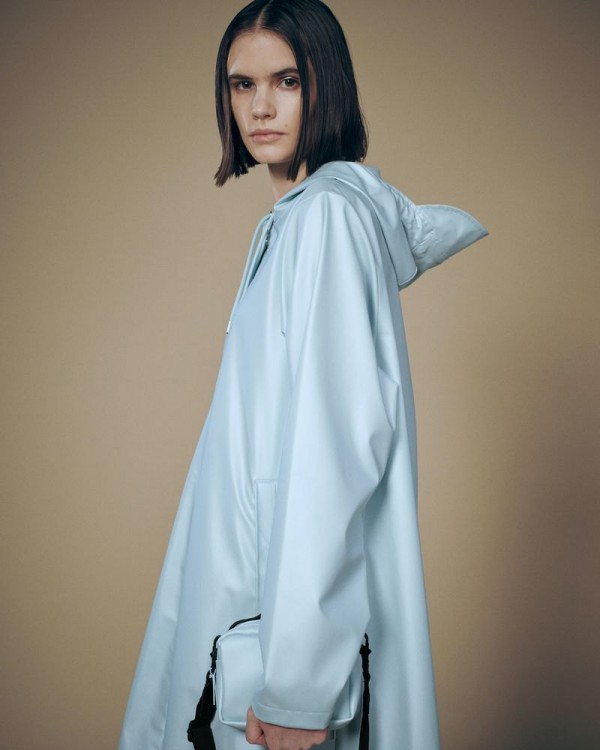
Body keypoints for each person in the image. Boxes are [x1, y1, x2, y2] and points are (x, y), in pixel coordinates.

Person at [117, 1, 488, 749]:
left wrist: (298, 686)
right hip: (253, 612)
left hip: (279, 641)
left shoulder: (325, 222)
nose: (260, 107)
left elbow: (335, 450)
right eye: (242, 84)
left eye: (287, 80)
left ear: (328, 86)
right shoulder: (298, 222)